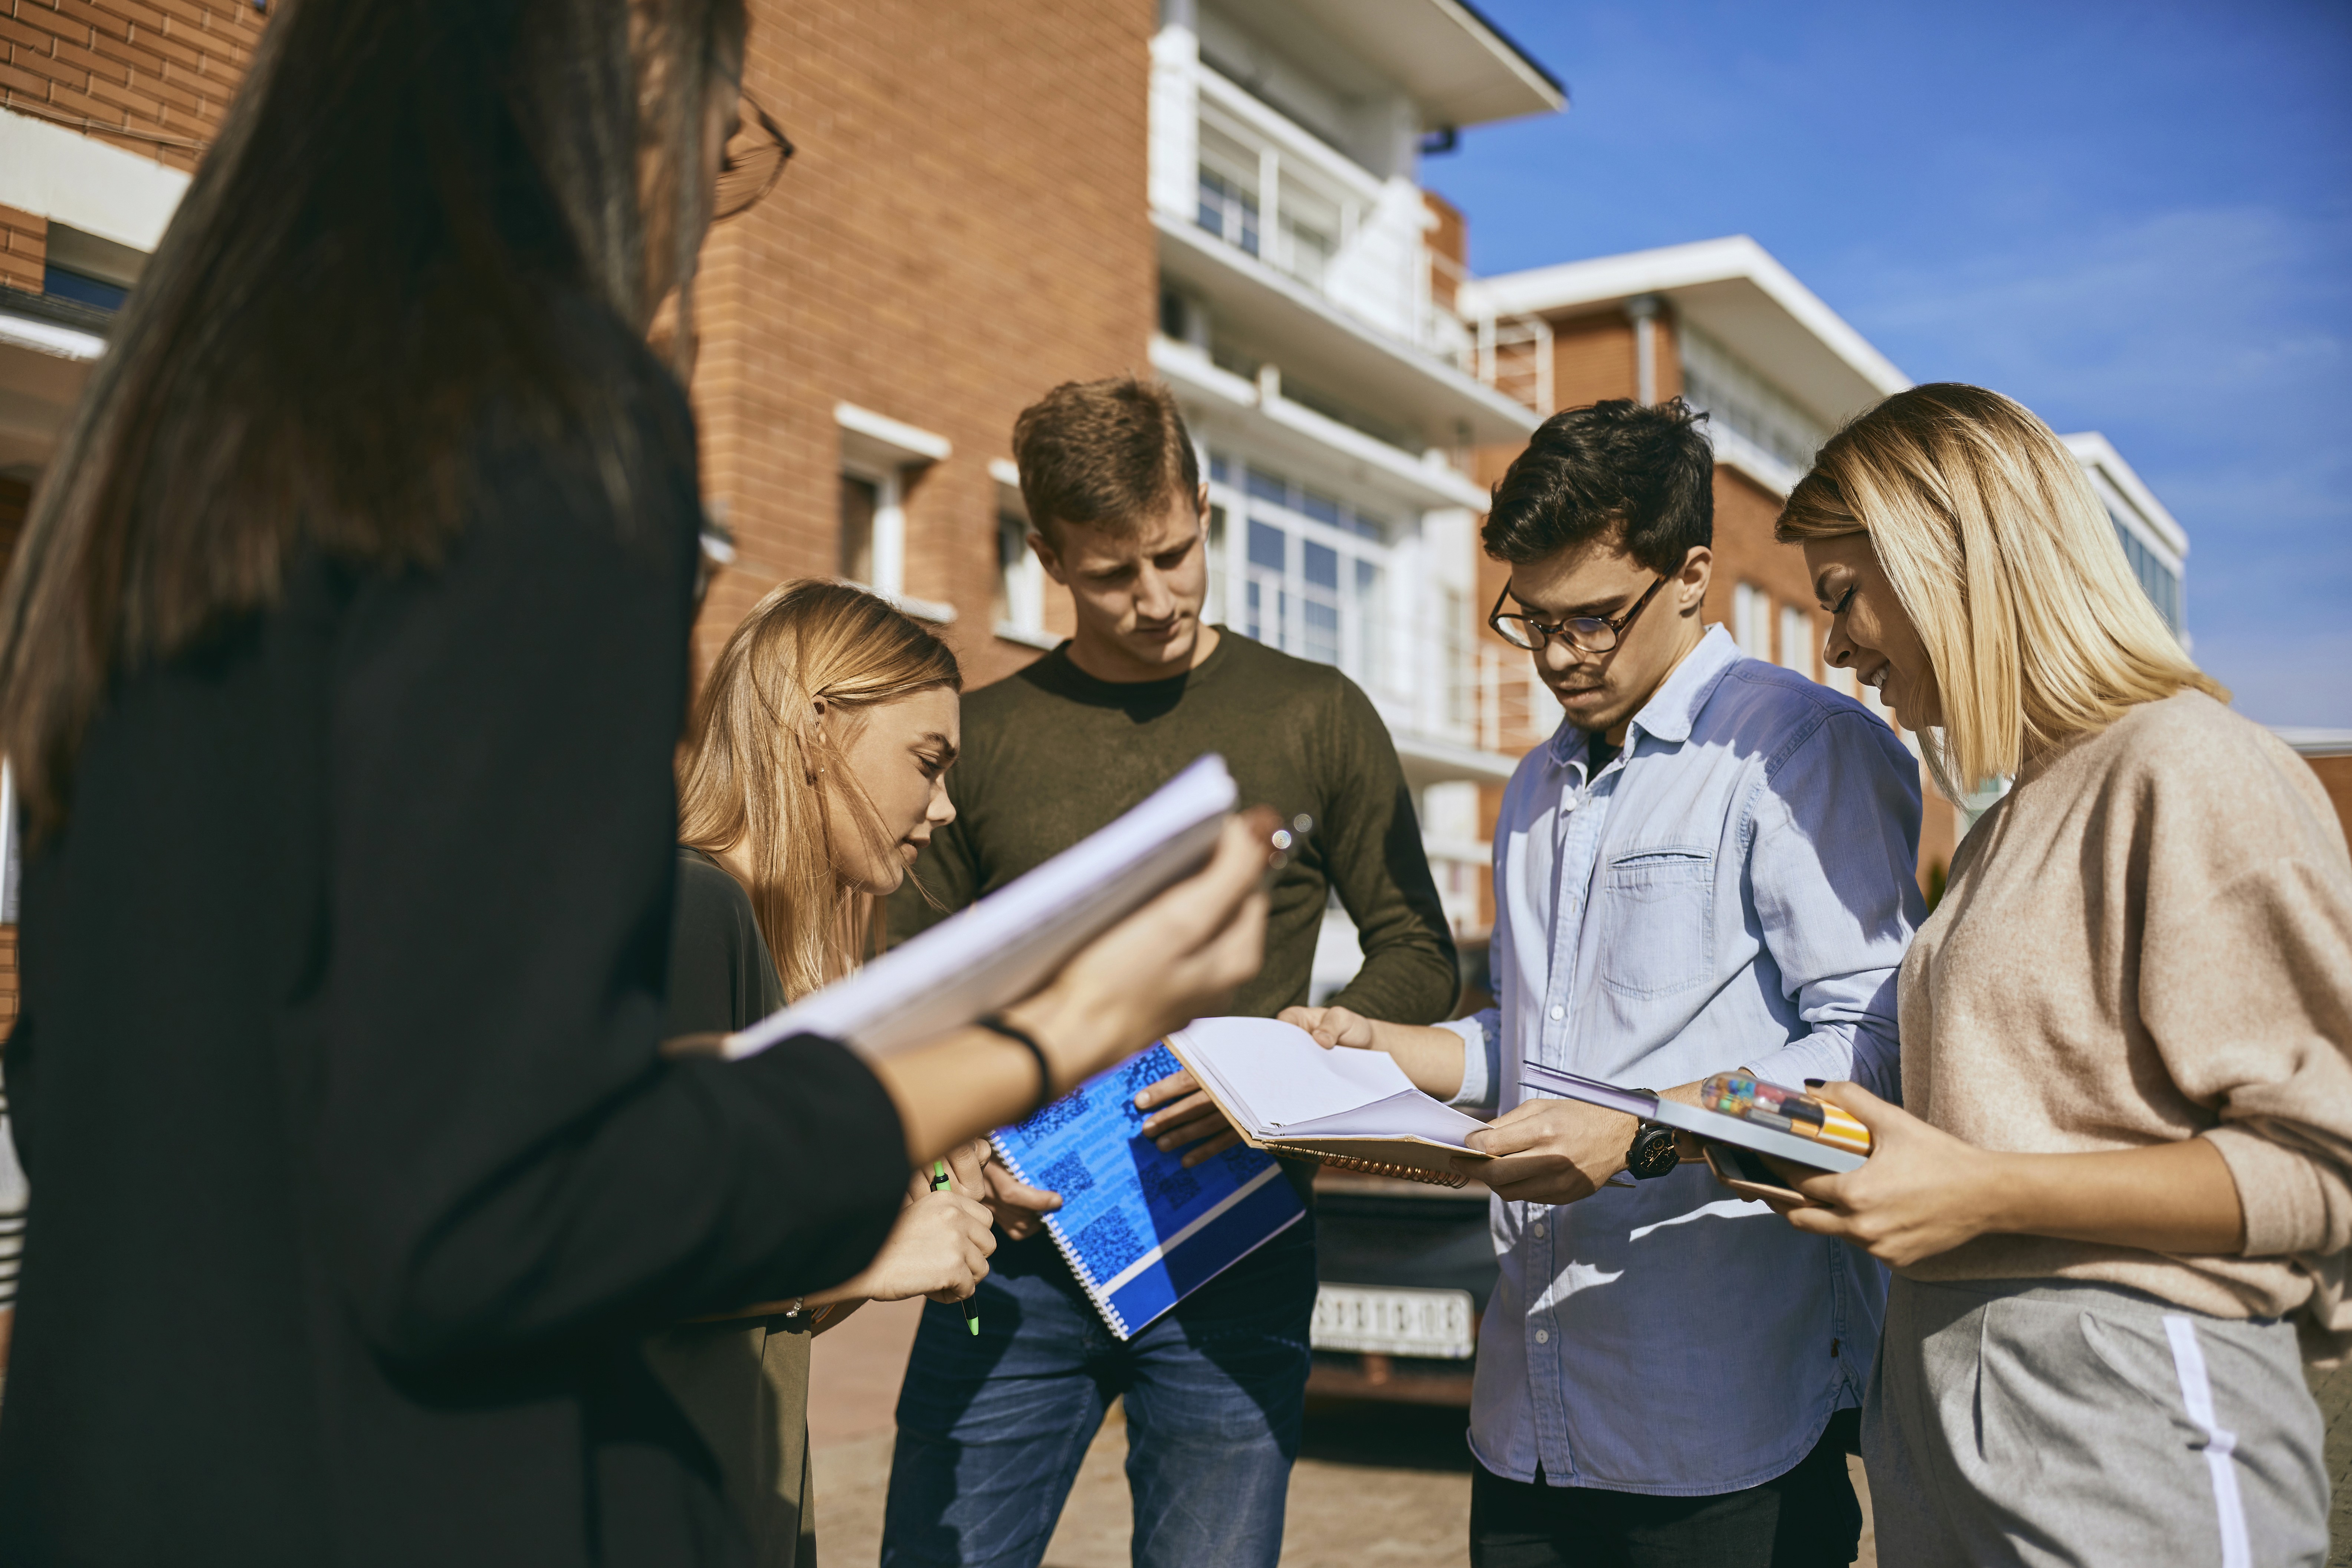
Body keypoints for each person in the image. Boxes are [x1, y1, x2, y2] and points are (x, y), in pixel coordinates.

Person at [0, 3, 1273, 1563]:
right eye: (732, 136)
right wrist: (1052, 1030)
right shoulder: (532, 427)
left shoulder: (154, 468)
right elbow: (505, 1199)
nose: (702, 219)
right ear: (628, 63)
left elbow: (80, 1089)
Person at [1288, 398, 1925, 1567]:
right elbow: (1531, 1049)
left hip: (1724, 1416)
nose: (1558, 658)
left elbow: (1871, 1057)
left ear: (1691, 575)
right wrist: (1378, 1045)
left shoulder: (1802, 748)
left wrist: (1640, 1132)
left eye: (1592, 619)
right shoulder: (1533, 784)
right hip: (1526, 1414)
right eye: (1529, 621)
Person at [879, 376, 1460, 1568]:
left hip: (1235, 1251)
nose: (1152, 598)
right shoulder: (983, 736)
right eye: (1108, 573)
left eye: (1174, 554)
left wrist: (1288, 1065)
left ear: (1203, 508)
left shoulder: (1315, 712)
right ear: (1042, 553)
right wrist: (954, 1157)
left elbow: (1416, 951)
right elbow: (903, 980)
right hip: (1015, 1257)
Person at [1767, 383, 2349, 1567]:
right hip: (1956, 1416)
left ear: (1949, 557)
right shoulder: (2007, 818)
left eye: (1841, 598)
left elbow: (2322, 1163)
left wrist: (1984, 1193)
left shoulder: (2189, 768)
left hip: (2134, 1423)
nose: (1833, 648)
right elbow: (2032, 1116)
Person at [647, 579, 1005, 1568]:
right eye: (925, 763)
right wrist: (875, 1250)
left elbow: (765, 1298)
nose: (941, 809)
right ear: (813, 729)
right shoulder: (688, 910)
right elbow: (616, 1248)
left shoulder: (751, 942)